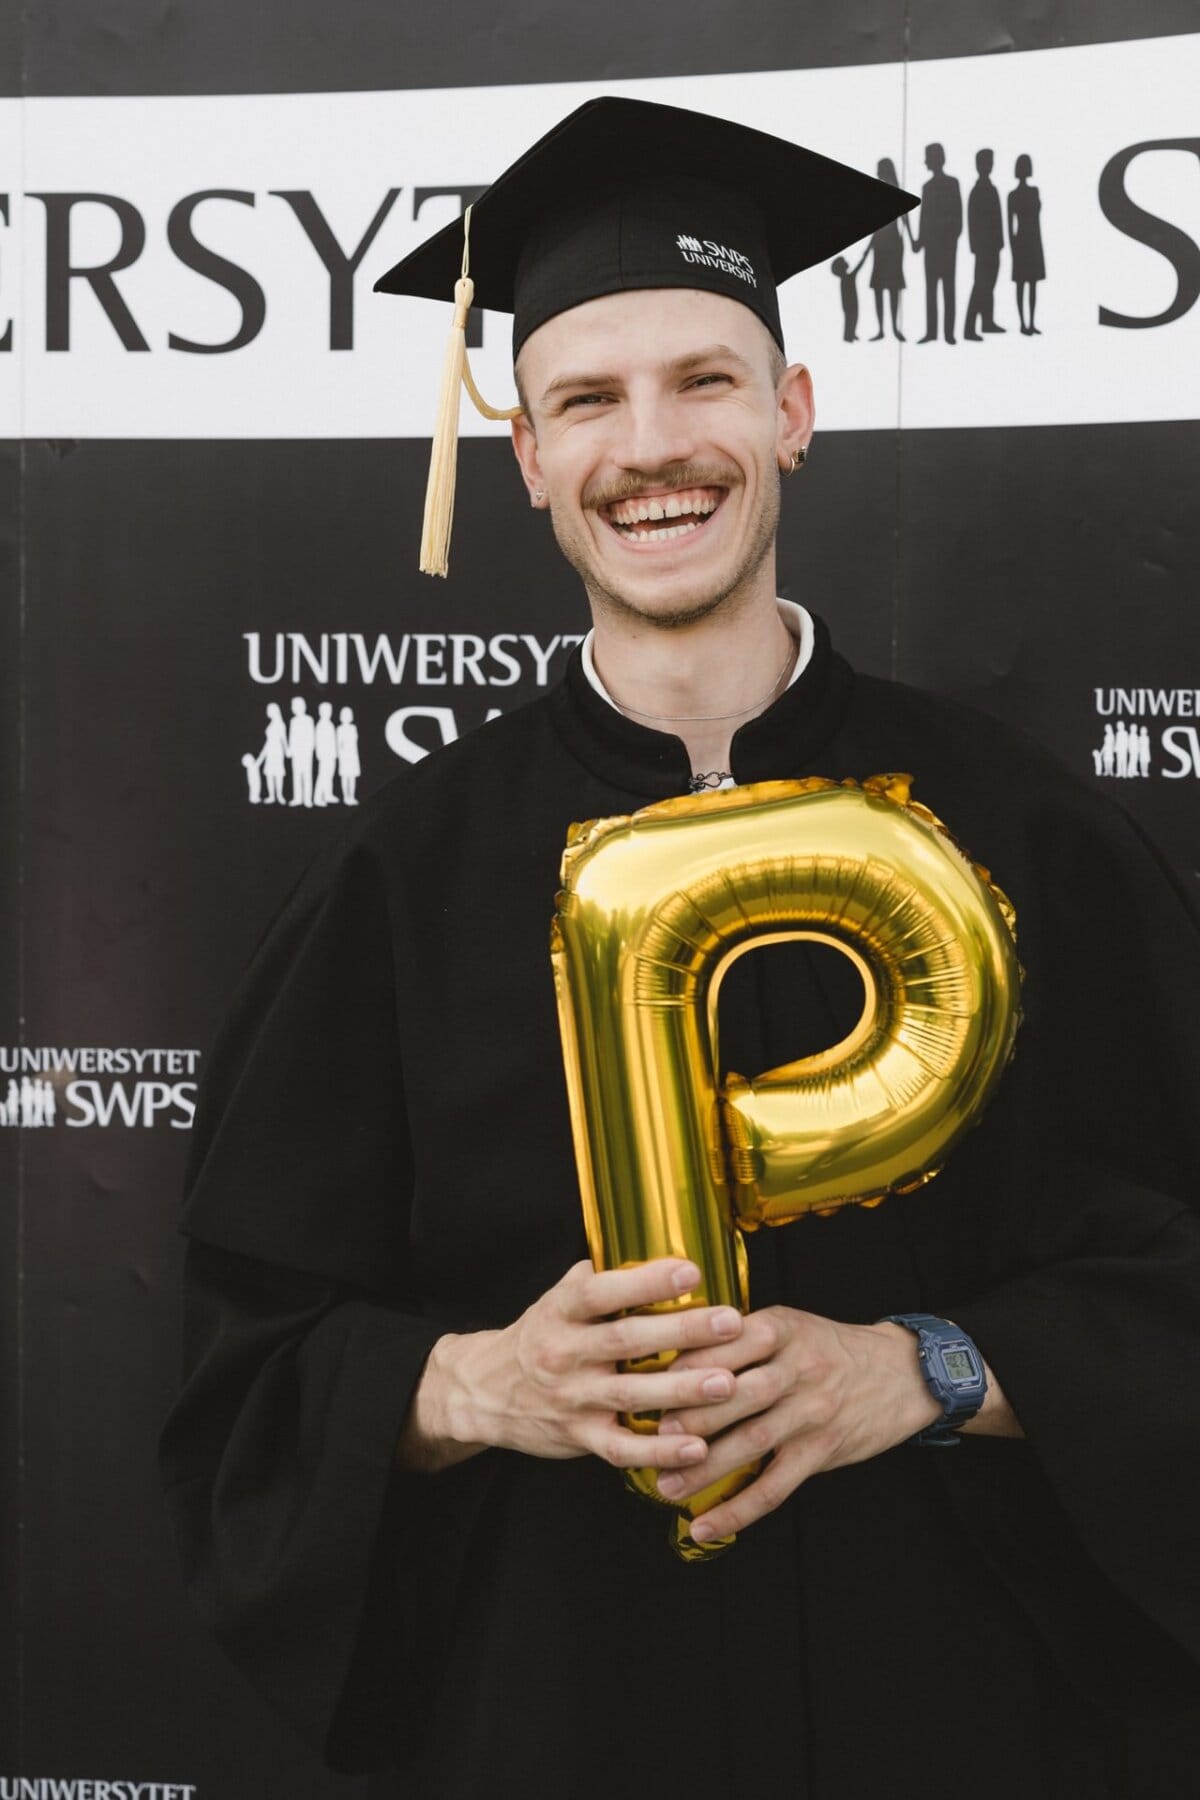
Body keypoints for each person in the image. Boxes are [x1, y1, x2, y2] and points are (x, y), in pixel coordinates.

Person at [159, 98, 1200, 1798]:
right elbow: (246, 1378)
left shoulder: (1032, 835)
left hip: (960, 1715)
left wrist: (933, 1373)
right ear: (530, 460)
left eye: (705, 381)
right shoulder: (399, 877)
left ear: (791, 414)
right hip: (561, 1717)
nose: (653, 446)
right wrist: (474, 1386)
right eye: (587, 399)